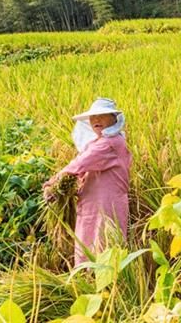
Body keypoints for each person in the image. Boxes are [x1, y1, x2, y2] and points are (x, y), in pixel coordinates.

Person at [43, 97, 132, 266]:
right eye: (93, 117)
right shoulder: (102, 141)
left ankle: (105, 288)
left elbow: (81, 163)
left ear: (114, 119)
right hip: (93, 203)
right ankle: (88, 282)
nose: (96, 120)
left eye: (101, 115)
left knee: (105, 247)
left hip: (107, 205)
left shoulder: (110, 143)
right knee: (88, 243)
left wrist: (54, 183)